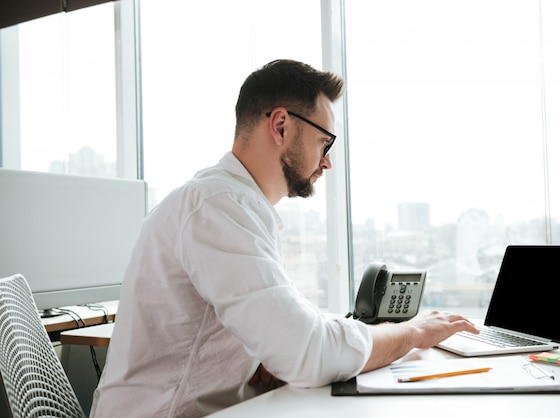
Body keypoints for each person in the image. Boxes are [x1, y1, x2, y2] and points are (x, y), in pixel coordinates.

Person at [90, 59, 478, 417]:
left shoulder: (229, 204)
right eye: (325, 142)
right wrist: (413, 332)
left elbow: (286, 336)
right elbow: (308, 351)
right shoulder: (217, 206)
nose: (327, 161)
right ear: (280, 125)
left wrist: (260, 355)